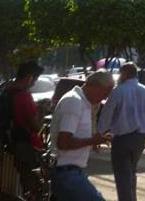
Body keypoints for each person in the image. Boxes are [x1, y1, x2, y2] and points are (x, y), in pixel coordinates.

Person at [49, 69, 115, 201]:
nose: (104, 98)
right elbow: (64, 142)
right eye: (105, 93)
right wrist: (93, 140)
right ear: (95, 86)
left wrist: (94, 139)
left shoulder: (82, 102)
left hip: (71, 170)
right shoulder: (74, 102)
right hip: (66, 171)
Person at [97, 62, 145, 201]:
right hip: (140, 139)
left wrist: (98, 135)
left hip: (122, 140)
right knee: (131, 173)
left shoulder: (119, 91)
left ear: (124, 74)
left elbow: (107, 115)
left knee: (122, 176)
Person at [0, 60, 45, 193]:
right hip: (28, 146)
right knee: (34, 186)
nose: (34, 83)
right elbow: (35, 127)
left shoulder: (4, 93)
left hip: (10, 143)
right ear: (29, 77)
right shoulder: (24, 96)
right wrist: (41, 111)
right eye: (35, 79)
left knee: (24, 183)